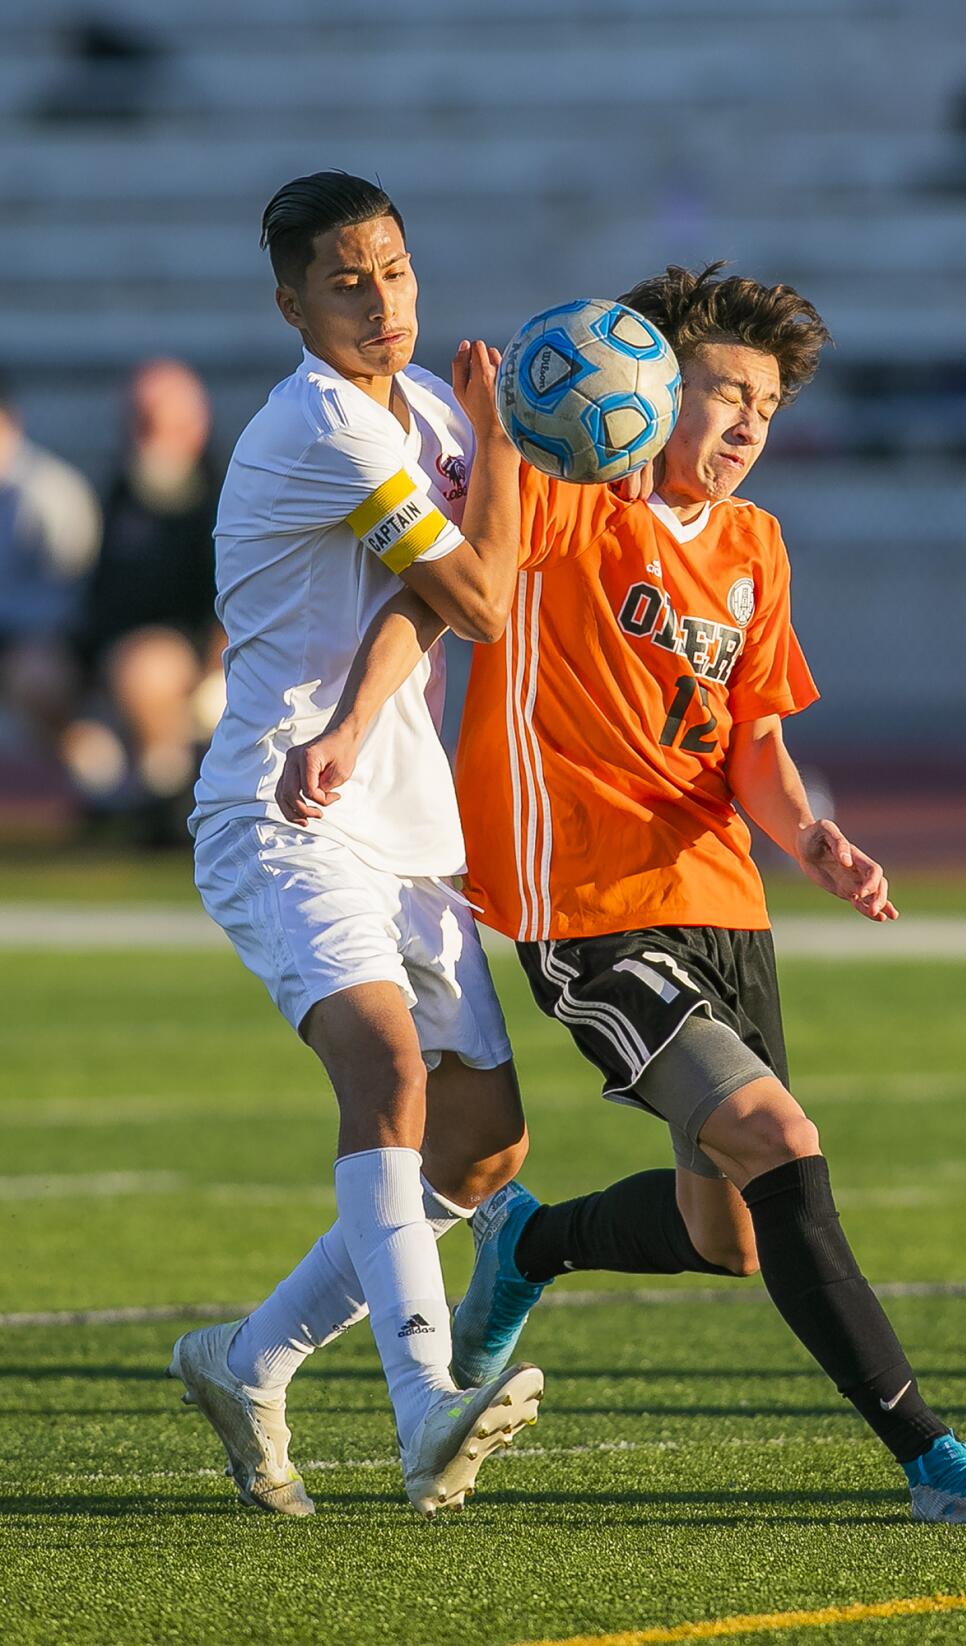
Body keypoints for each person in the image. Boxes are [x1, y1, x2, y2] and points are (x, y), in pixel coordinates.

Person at [280, 264, 966, 1527]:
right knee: (783, 1146)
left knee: (730, 1233)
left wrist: (818, 840)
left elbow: (754, 744)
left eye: (769, 405)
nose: (747, 420)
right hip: (588, 907)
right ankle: (929, 1454)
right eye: (721, 389)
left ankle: (528, 1244)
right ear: (641, 386)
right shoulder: (572, 506)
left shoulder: (756, 546)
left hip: (722, 901)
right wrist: (497, 436)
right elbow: (453, 590)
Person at [170, 171, 542, 1521]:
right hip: (281, 809)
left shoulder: (425, 408)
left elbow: (431, 607)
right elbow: (486, 597)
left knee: (484, 1149)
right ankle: (424, 1403)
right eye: (346, 279)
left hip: (392, 808)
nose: (381, 298)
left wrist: (361, 711)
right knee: (384, 1063)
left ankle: (247, 1356)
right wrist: (506, 446)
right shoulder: (324, 424)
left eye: (392, 268)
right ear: (292, 304)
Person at [62, 359, 225, 841]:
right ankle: (105, 789)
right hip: (114, 652)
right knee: (37, 671)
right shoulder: (117, 493)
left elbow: (234, 598)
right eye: (139, 422)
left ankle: (166, 796)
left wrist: (213, 660)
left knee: (143, 669)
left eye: (158, 423)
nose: (147, 437)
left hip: (188, 657)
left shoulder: (223, 497)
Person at [0, 375, 101, 762]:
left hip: (45, 643)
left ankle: (87, 776)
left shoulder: (49, 494)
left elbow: (69, 596)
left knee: (35, 676)